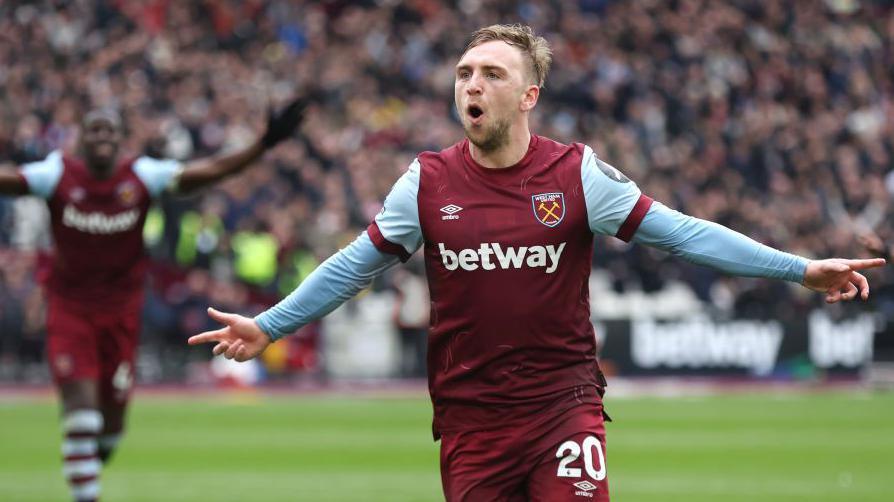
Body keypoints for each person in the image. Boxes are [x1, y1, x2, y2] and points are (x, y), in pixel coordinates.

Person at [188, 25, 884, 502]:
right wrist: (271, 326)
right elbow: (352, 266)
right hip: (470, 420)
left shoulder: (577, 175)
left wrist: (799, 268)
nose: (474, 84)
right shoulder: (425, 182)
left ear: (528, 96)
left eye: (493, 73)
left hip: (563, 408)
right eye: (465, 73)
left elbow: (683, 235)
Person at [0, 97, 307, 502]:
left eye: (110, 130)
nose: (102, 137)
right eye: (94, 130)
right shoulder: (56, 174)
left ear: (122, 139)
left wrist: (262, 145)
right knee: (82, 411)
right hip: (70, 310)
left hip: (122, 313)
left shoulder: (141, 175)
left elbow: (210, 171)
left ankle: (90, 461)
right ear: (80, 140)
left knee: (110, 427)